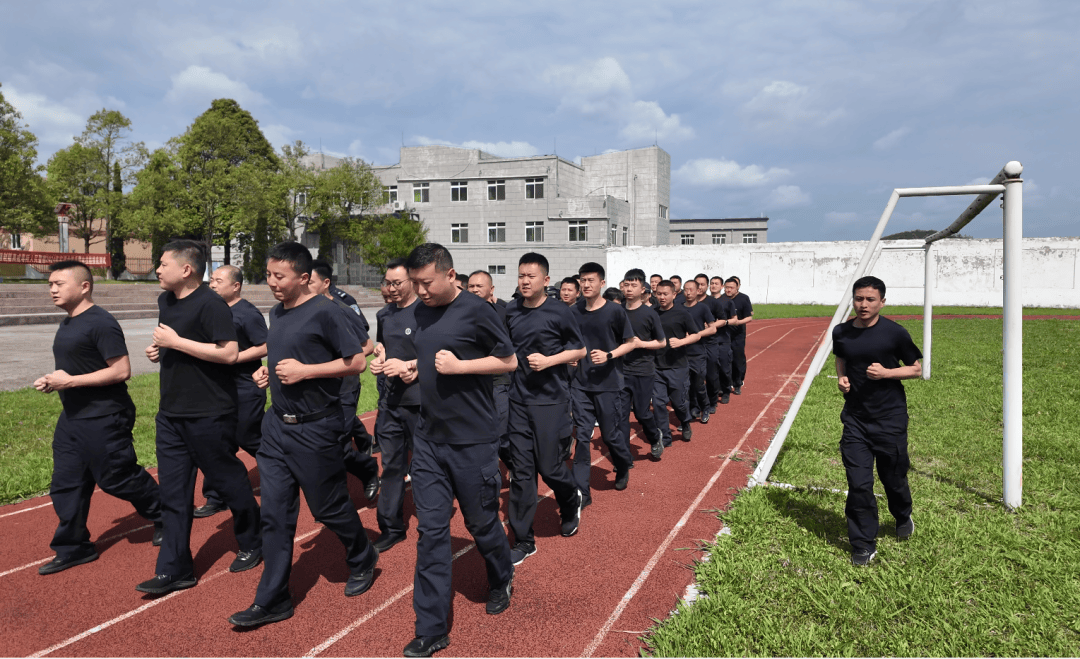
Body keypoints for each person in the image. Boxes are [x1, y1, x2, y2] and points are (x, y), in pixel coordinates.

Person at [228, 242, 378, 627]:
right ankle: (274, 598)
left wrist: (305, 373)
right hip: (277, 427)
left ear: (304, 277)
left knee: (327, 508)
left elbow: (357, 361)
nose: (272, 283)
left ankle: (363, 556)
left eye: (280, 276)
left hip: (317, 427)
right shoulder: (276, 313)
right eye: (269, 275)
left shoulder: (328, 312)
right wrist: (268, 372)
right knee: (275, 516)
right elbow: (285, 355)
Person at [402, 243, 517, 657]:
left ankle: (501, 575)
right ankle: (430, 628)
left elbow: (508, 361)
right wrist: (412, 367)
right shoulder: (418, 310)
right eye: (415, 283)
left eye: (426, 282)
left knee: (481, 523)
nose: (420, 291)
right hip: (430, 440)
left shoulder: (478, 310)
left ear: (450, 275)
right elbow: (432, 357)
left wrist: (462, 367)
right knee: (430, 533)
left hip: (473, 441)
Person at [138, 240, 262, 595]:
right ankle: (175, 569)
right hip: (171, 414)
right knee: (174, 494)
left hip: (210, 413)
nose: (157, 269)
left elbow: (229, 353)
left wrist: (176, 343)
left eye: (163, 264)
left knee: (229, 482)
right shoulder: (165, 301)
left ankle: (253, 539)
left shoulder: (212, 304)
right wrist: (159, 350)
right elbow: (174, 343)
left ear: (186, 269)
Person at [34, 260, 163, 575]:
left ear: (84, 286)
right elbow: (78, 368)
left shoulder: (101, 322)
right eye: (49, 284)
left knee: (117, 477)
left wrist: (70, 382)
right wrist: (55, 382)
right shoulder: (68, 323)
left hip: (105, 414)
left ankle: (166, 514)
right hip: (73, 416)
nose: (52, 289)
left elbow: (121, 371)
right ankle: (74, 547)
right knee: (66, 483)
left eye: (58, 283)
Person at [502, 253, 586, 565]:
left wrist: (549, 360)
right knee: (522, 474)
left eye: (531, 276)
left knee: (550, 467)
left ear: (546, 280)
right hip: (519, 402)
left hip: (551, 401)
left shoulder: (559, 311)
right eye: (521, 275)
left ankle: (569, 498)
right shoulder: (510, 310)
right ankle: (523, 540)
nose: (525, 281)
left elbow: (579, 349)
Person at [833, 276, 922, 566]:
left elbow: (916, 369)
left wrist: (887, 373)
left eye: (870, 299)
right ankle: (862, 543)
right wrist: (841, 378)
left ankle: (902, 514)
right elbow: (841, 358)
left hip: (889, 418)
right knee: (859, 484)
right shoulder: (842, 331)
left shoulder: (894, 333)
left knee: (893, 478)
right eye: (859, 299)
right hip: (856, 419)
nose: (863, 304)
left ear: (882, 302)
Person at [196, 265, 268, 518]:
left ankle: (281, 469)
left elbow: (264, 346)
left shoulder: (247, 313)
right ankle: (216, 495)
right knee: (216, 442)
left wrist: (233, 358)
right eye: (211, 280)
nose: (212, 285)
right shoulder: (211, 310)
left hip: (245, 387)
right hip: (216, 389)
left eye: (218, 280)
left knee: (248, 437)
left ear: (235, 286)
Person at [310, 260, 380, 502]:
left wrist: (335, 364)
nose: (304, 286)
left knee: (337, 444)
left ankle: (366, 470)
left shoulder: (342, 309)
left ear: (325, 283)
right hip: (315, 388)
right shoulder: (300, 310)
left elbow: (366, 346)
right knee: (320, 444)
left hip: (344, 387)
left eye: (310, 282)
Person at [571, 262, 637, 499]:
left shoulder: (615, 311)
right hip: (580, 384)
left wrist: (609, 355)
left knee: (609, 436)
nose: (586, 284)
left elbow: (630, 343)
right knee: (581, 437)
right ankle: (581, 492)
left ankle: (622, 463)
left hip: (609, 384)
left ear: (602, 283)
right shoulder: (574, 311)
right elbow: (571, 343)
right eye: (582, 280)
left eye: (591, 280)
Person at [368, 258, 420, 553]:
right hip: (390, 402)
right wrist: (380, 359)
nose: (391, 288)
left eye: (397, 283)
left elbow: (438, 355)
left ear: (412, 280)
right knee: (390, 467)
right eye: (388, 283)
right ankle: (391, 527)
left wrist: (410, 365)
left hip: (420, 403)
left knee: (425, 466)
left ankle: (430, 521)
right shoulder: (385, 314)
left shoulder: (427, 313)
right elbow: (384, 348)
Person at [467, 269, 514, 477]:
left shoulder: (503, 314)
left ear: (491, 289)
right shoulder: (459, 315)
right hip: (470, 384)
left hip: (497, 383)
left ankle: (518, 468)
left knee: (500, 435)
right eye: (471, 286)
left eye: (479, 286)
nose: (475, 289)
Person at [618, 269, 667, 460]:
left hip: (643, 370)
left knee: (641, 412)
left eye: (634, 285)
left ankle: (655, 437)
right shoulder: (617, 311)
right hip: (620, 371)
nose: (629, 289)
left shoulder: (649, 314)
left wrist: (639, 344)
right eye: (626, 284)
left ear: (643, 288)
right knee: (620, 416)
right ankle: (623, 456)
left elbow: (661, 342)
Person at [652, 280, 701, 446]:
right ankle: (665, 437)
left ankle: (685, 422)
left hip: (677, 366)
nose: (662, 297)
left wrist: (681, 342)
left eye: (665, 294)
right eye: (659, 294)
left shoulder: (683, 313)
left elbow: (696, 335)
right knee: (658, 403)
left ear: (674, 294)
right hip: (656, 367)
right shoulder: (652, 313)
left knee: (679, 403)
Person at [693, 273, 730, 414]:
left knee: (711, 373)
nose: (700, 287)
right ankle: (695, 404)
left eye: (702, 284)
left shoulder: (713, 302)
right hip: (693, 344)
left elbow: (723, 319)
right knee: (695, 375)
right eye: (697, 284)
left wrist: (710, 326)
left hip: (710, 343)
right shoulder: (687, 302)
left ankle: (712, 401)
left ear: (707, 286)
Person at [681, 279, 718, 423]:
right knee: (685, 385)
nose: (688, 292)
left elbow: (713, 328)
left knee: (698, 384)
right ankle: (691, 411)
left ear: (698, 291)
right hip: (682, 353)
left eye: (691, 289)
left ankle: (706, 407)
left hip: (697, 352)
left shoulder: (703, 308)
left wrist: (697, 335)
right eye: (686, 289)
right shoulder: (679, 307)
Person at [725, 277, 753, 394]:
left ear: (737, 288)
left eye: (731, 287)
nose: (728, 290)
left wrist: (738, 322)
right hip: (724, 334)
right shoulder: (722, 299)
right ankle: (726, 383)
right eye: (726, 287)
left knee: (737, 358)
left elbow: (749, 317)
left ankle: (738, 383)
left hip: (738, 334)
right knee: (725, 359)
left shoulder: (743, 298)